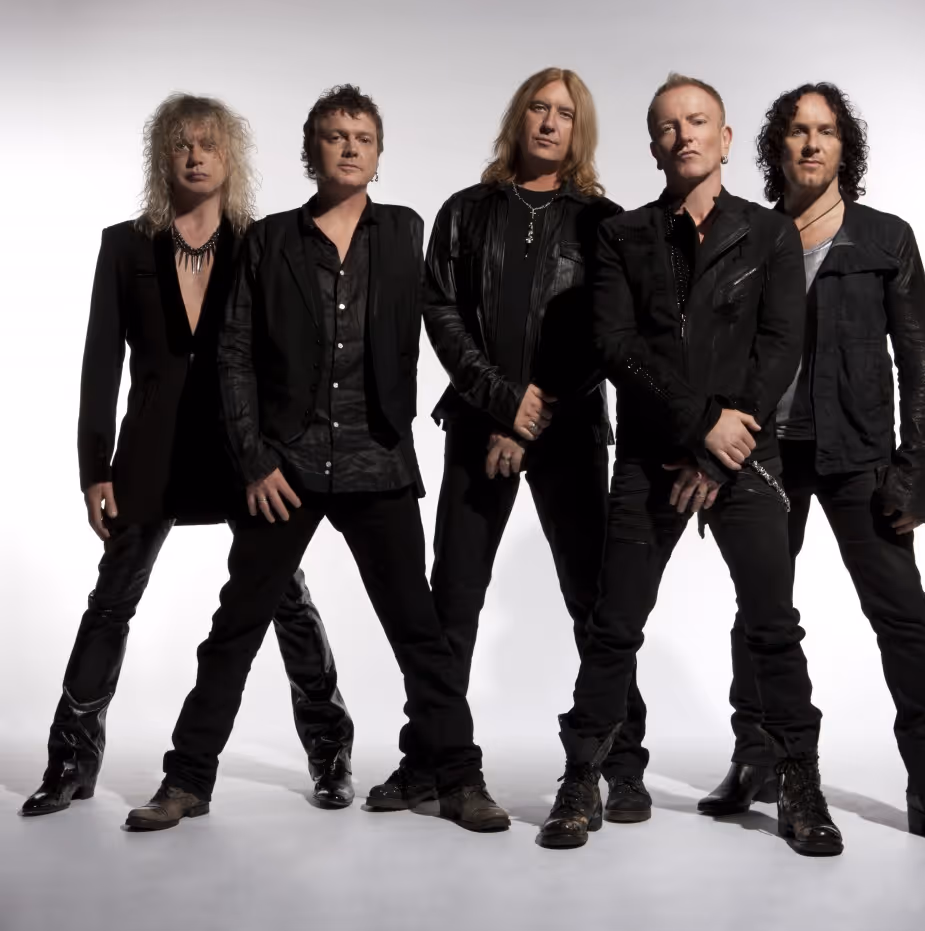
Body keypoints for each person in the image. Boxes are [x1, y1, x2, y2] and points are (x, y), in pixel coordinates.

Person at [127, 85, 508, 834]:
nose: (350, 147)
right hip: (286, 469)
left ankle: (459, 779)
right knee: (235, 629)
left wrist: (502, 402)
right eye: (335, 135)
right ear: (312, 152)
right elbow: (232, 354)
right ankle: (186, 779)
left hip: (377, 461)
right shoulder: (270, 239)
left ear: (379, 153)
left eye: (363, 136)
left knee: (421, 635)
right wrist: (252, 459)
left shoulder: (405, 232)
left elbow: (449, 323)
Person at [20, 94, 354, 819]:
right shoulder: (124, 245)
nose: (196, 156)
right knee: (112, 599)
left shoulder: (261, 242)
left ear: (231, 157)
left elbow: (288, 356)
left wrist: (284, 452)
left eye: (209, 144)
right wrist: (94, 466)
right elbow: (100, 362)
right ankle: (70, 758)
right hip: (150, 451)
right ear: (162, 157)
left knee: (284, 596)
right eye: (181, 144)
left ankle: (330, 745)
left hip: (244, 450)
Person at [537, 74, 843, 857]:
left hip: (748, 459)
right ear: (654, 146)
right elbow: (614, 345)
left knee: (773, 624)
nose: (685, 136)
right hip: (653, 457)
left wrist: (721, 442)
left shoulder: (769, 234)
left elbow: (781, 346)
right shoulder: (623, 235)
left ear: (725, 138)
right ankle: (583, 778)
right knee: (614, 624)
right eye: (669, 126)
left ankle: (800, 781)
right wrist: (702, 423)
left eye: (698, 121)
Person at [698, 83, 925, 855]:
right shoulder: (750, 235)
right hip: (765, 453)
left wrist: (915, 470)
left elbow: (920, 362)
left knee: (902, 617)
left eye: (825, 131)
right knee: (759, 610)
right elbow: (717, 350)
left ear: (844, 147)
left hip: (859, 453)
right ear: (776, 147)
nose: (811, 143)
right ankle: (756, 756)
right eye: (798, 131)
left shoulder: (885, 238)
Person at [366, 67, 652, 824]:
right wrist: (500, 402)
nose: (550, 122)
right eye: (539, 108)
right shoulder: (465, 212)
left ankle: (622, 764)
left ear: (580, 129)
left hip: (569, 429)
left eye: (566, 113)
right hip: (477, 425)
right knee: (452, 601)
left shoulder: (605, 223)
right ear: (518, 117)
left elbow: (607, 335)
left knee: (597, 605)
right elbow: (440, 312)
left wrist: (534, 414)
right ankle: (428, 759)